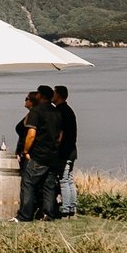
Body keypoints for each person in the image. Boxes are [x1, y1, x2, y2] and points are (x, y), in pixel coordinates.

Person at [19, 85, 66, 220]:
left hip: (38, 154)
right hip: (52, 154)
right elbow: (60, 134)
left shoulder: (36, 111)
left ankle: (25, 215)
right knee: (49, 185)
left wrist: (26, 150)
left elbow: (31, 134)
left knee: (28, 183)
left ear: (40, 95)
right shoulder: (57, 112)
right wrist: (55, 146)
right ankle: (49, 214)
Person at [55, 85, 80, 216]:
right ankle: (72, 207)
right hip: (72, 150)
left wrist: (56, 147)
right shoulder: (68, 110)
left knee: (64, 180)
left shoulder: (60, 111)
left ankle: (65, 209)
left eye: (54, 93)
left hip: (64, 151)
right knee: (69, 179)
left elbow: (61, 133)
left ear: (58, 95)